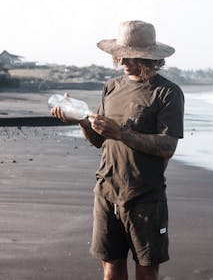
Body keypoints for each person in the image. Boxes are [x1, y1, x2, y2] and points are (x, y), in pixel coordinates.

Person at [51, 20, 184, 280]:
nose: (122, 59)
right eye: (119, 53)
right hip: (106, 191)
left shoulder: (167, 93)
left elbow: (167, 146)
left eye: (130, 55)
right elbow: (101, 141)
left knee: (146, 273)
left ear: (149, 58)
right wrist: (80, 120)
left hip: (144, 196)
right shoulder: (111, 87)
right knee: (111, 271)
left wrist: (121, 133)